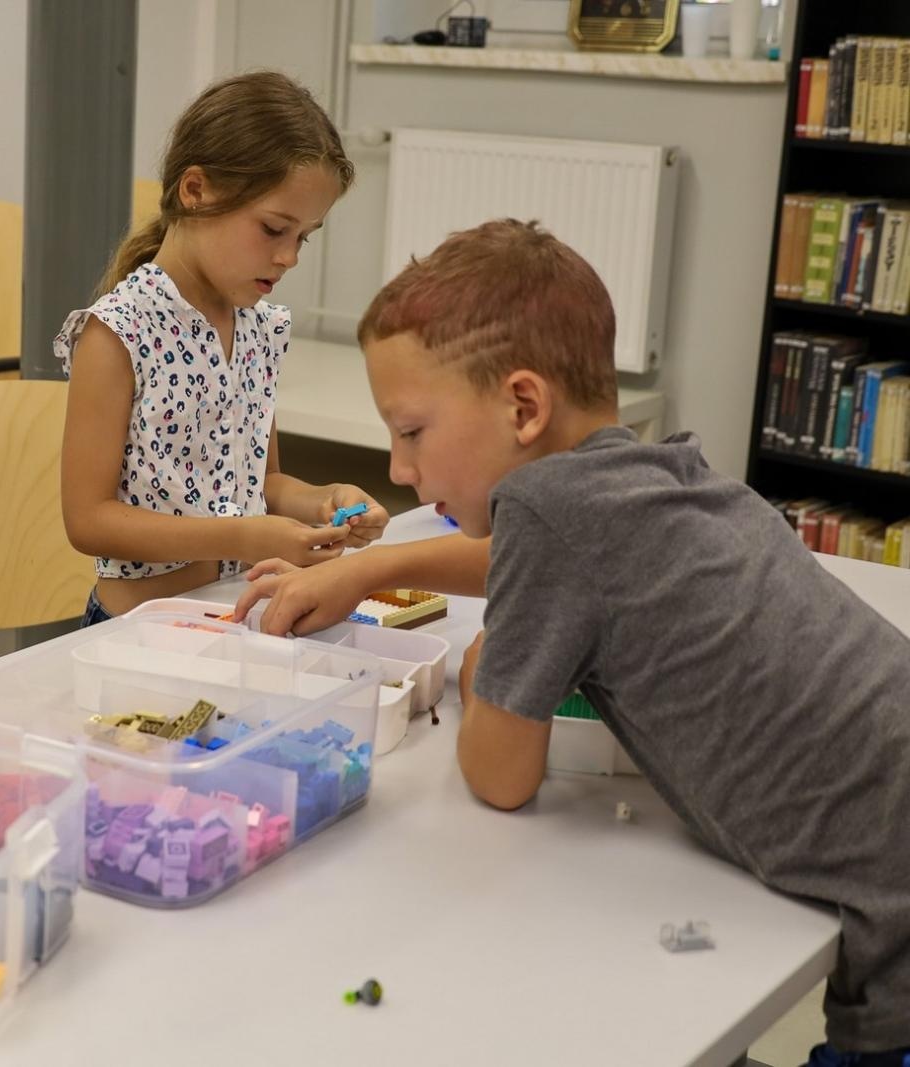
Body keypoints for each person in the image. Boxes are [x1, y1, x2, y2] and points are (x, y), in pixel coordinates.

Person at [235, 219, 910, 1064]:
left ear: (523, 407)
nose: (400, 470)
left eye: (411, 432)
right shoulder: (657, 475)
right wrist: (373, 568)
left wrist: (485, 669)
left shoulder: (547, 515)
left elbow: (501, 777)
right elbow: (545, 561)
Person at [56, 70, 388, 627]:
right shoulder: (117, 332)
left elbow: (264, 484)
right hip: (137, 631)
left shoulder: (258, 328)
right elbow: (89, 521)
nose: (289, 258)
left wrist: (325, 500)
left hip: (235, 619)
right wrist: (242, 535)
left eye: (303, 237)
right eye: (274, 229)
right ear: (195, 191)